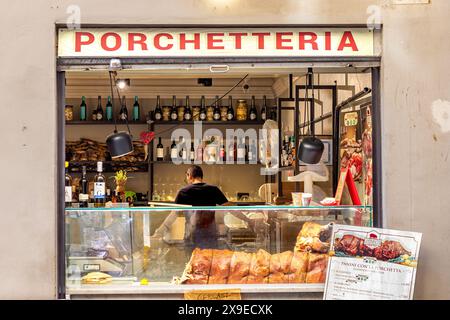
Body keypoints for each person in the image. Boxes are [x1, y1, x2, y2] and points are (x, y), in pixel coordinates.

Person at [153, 165, 254, 249]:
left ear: (189, 176)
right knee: (209, 265)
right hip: (210, 235)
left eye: (187, 177)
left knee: (192, 267)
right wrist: (248, 220)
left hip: (191, 235)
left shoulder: (183, 192)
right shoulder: (213, 189)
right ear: (201, 176)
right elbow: (231, 209)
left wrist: (159, 232)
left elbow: (173, 215)